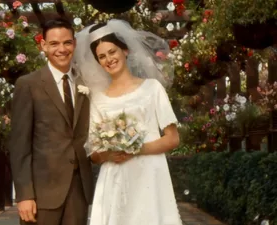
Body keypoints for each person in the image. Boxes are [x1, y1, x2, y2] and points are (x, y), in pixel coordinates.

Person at [73, 19, 182, 225]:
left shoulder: (152, 88)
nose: (109, 59)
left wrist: (135, 149)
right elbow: (94, 154)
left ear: (125, 51)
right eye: (102, 56)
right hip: (114, 178)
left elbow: (172, 139)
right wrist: (109, 153)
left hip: (150, 174)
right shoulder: (97, 98)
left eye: (112, 52)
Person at [9, 18, 94, 225]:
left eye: (66, 43)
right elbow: (19, 146)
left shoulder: (87, 83)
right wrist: (24, 195)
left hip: (78, 190)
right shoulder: (28, 84)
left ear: (74, 44)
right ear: (43, 46)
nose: (61, 49)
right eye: (54, 44)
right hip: (41, 194)